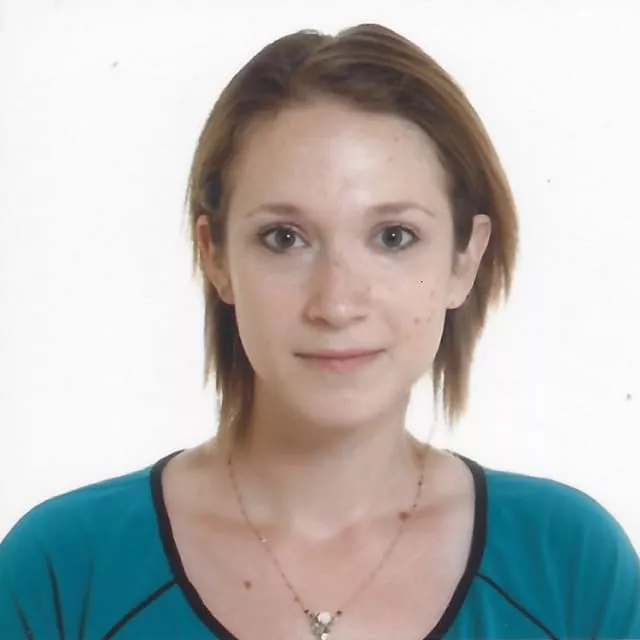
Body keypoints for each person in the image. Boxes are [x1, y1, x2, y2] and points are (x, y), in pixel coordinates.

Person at [1, 22, 638, 640]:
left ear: (464, 260)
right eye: (284, 238)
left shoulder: (570, 567)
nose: (336, 303)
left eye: (394, 237)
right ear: (215, 256)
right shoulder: (63, 571)